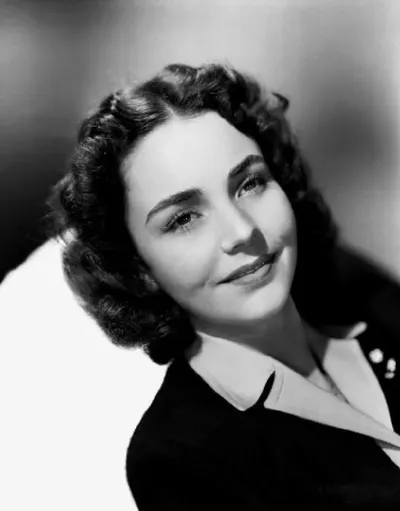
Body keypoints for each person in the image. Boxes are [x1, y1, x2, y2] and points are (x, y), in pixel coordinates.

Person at [48, 62, 400, 509]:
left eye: (250, 183)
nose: (242, 231)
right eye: (183, 219)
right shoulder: (179, 457)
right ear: (135, 266)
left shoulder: (366, 297)